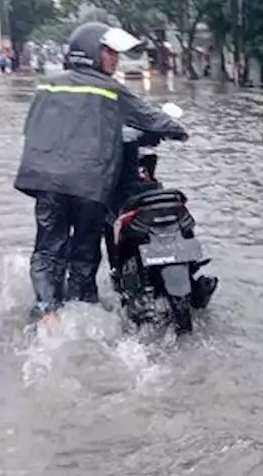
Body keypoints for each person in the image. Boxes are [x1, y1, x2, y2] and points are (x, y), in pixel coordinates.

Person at [14, 22, 190, 324]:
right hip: (89, 184)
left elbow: (31, 128)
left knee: (48, 248)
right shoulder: (109, 89)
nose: (114, 58)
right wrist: (180, 131)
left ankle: (47, 310)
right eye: (108, 51)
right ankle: (82, 311)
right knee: (84, 249)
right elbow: (150, 118)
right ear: (90, 52)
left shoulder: (47, 84)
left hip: (47, 181)